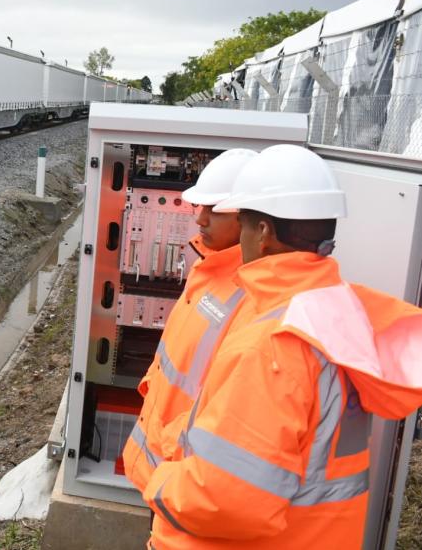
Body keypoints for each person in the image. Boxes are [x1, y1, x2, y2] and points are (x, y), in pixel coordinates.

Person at [142, 144, 422, 549]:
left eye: (244, 225)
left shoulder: (272, 344)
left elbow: (224, 498)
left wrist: (159, 479)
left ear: (264, 232)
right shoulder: (342, 311)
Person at [122, 148, 257, 492]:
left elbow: (227, 417)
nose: (200, 220)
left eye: (215, 210)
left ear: (255, 218)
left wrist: (169, 460)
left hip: (180, 479)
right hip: (159, 469)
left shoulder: (253, 298)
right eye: (201, 207)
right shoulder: (208, 270)